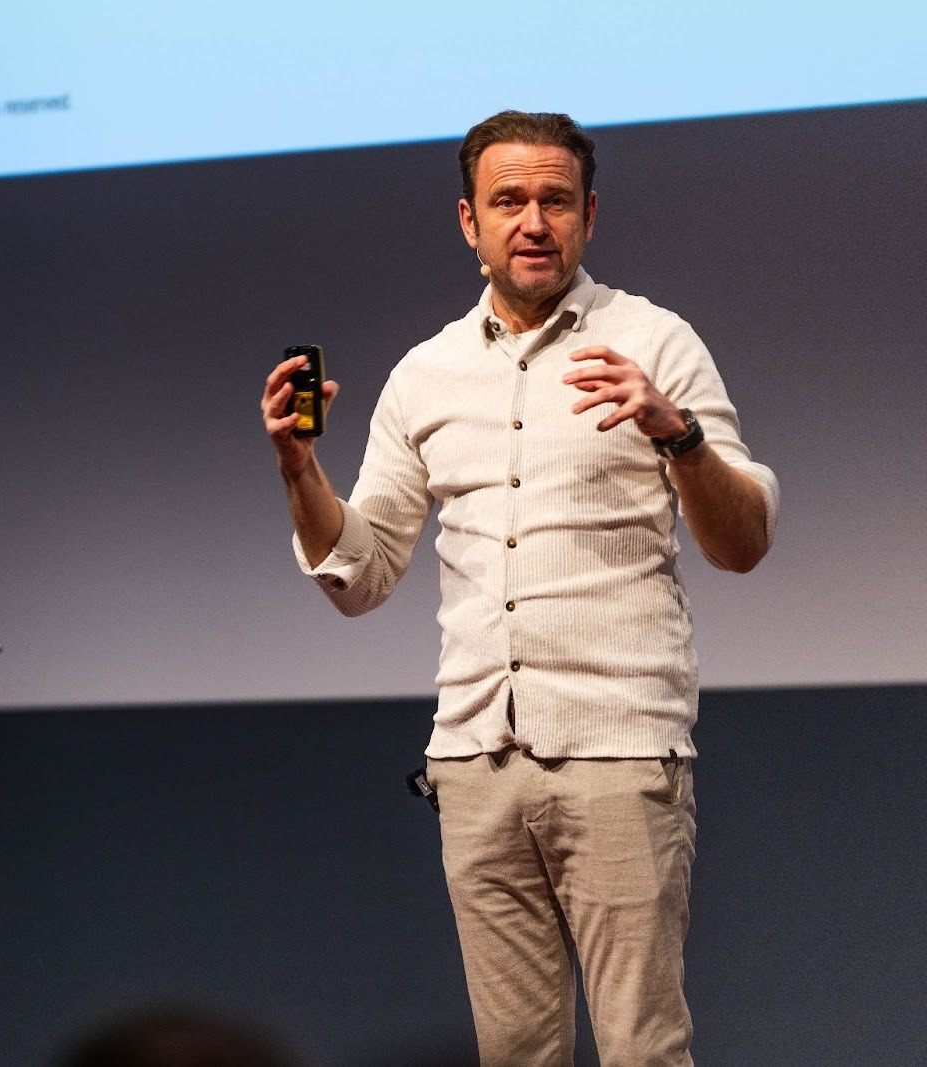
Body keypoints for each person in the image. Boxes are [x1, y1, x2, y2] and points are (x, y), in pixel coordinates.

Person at [259, 111, 778, 1067]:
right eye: (508, 201)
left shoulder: (655, 341)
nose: (533, 221)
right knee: (513, 1057)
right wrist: (300, 473)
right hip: (474, 762)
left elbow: (744, 542)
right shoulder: (426, 374)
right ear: (470, 221)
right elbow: (362, 574)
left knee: (642, 1050)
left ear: (590, 215)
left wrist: (678, 434)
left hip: (618, 750)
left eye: (554, 200)